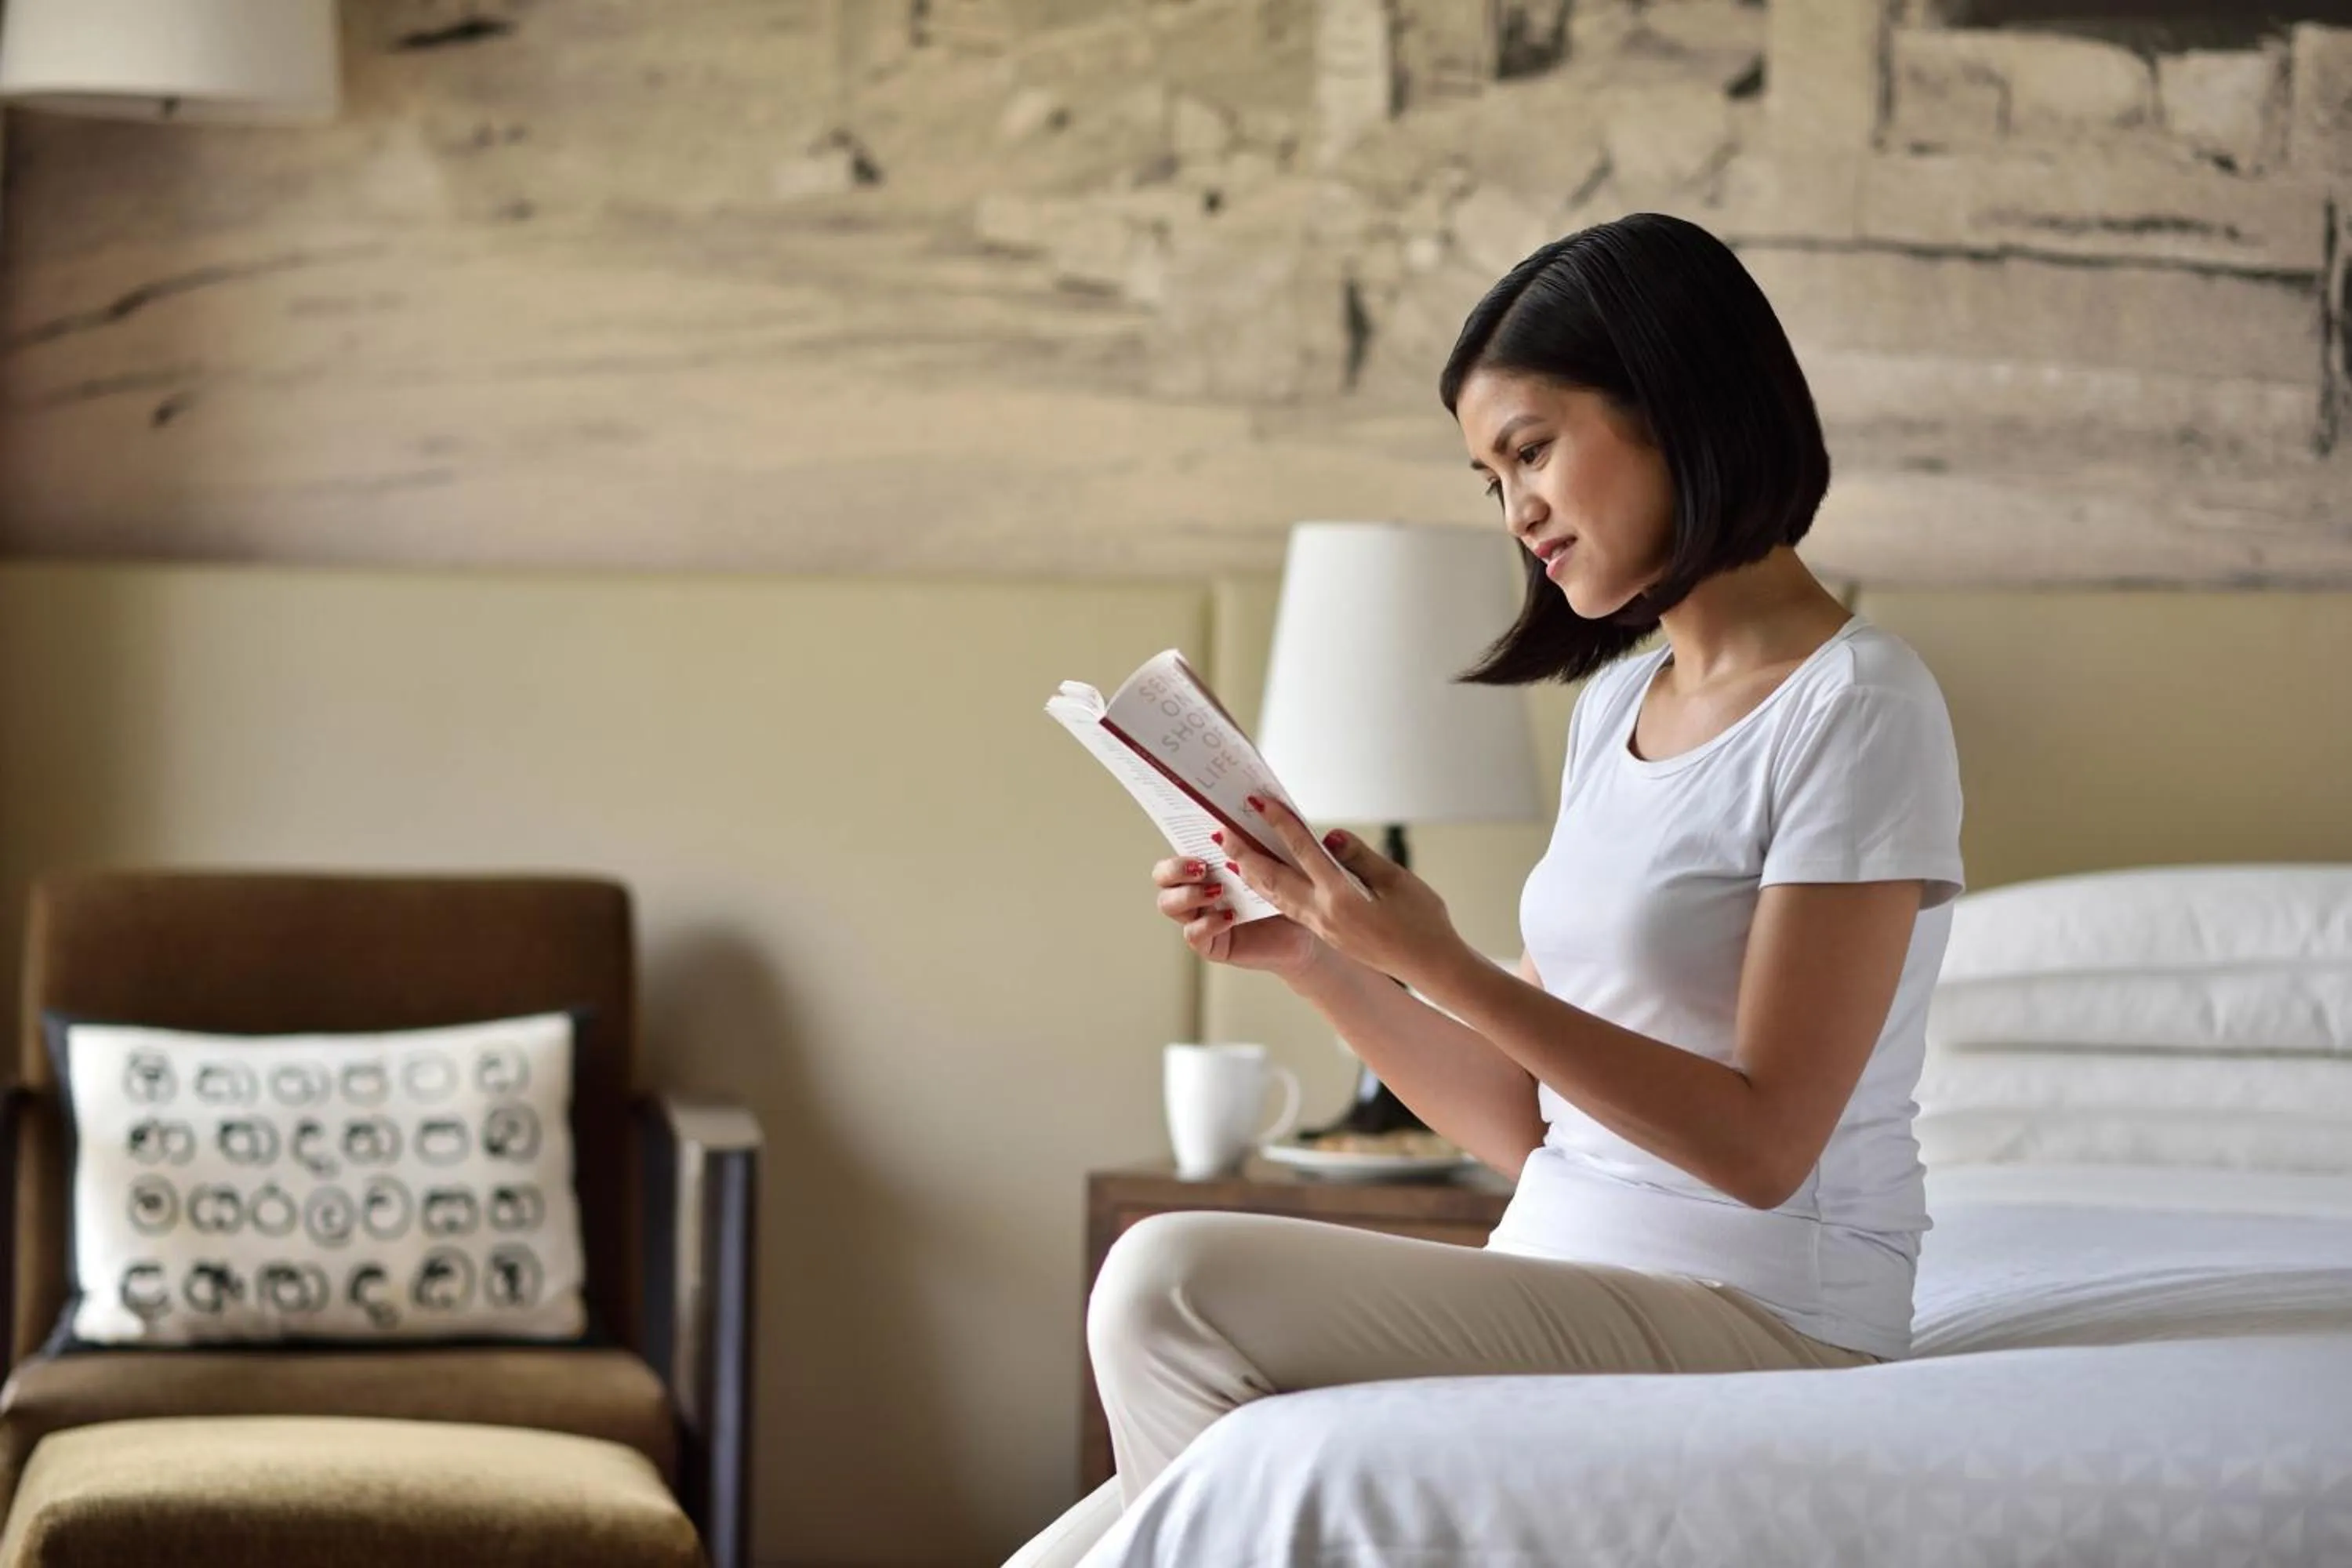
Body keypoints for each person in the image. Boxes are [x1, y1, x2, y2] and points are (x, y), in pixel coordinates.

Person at [1004, 210, 1965, 1568]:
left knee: (1165, 1282)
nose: (1516, 511)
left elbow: (1762, 1152)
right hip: (1562, 1273)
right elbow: (1534, 1127)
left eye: (1532, 450)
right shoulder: (1617, 705)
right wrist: (1323, 961)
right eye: (1487, 476)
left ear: (1676, 402)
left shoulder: (1859, 707)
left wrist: (1440, 962)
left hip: (1767, 1312)